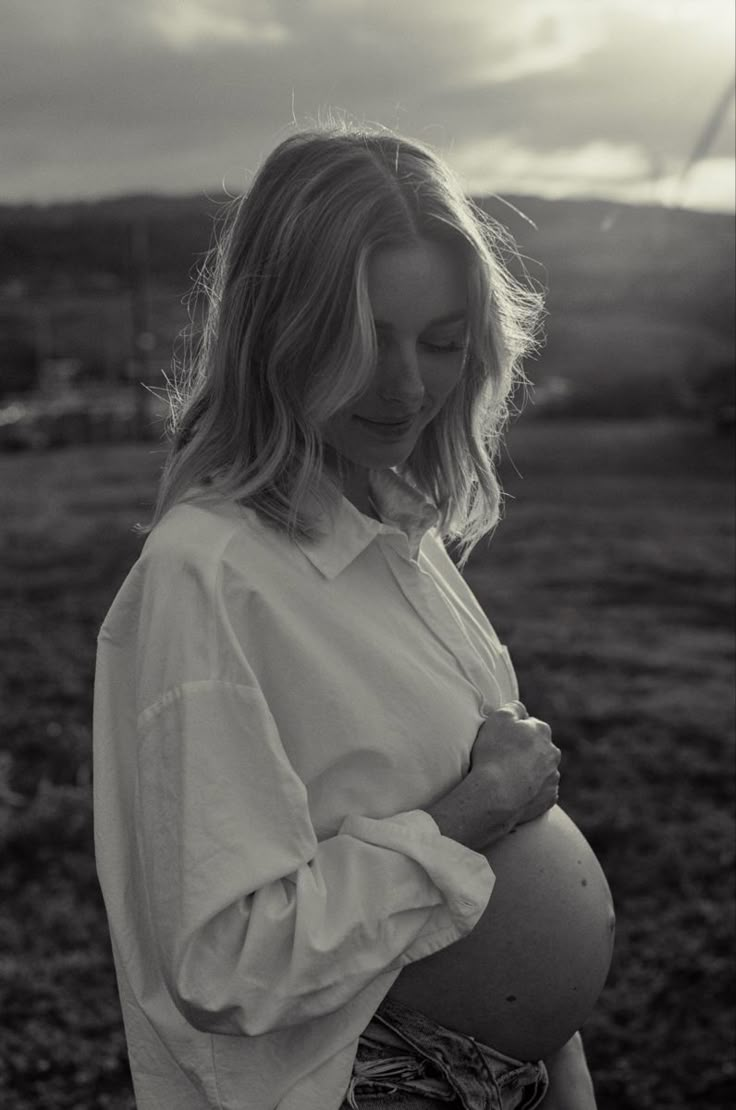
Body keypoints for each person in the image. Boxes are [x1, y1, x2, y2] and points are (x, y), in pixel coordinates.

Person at [93, 122, 596, 1109]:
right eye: (364, 341)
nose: (408, 387)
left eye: (443, 344)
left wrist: (554, 1060)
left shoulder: (396, 529)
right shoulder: (210, 578)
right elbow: (225, 964)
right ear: (276, 327)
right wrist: (465, 816)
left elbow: (504, 873)